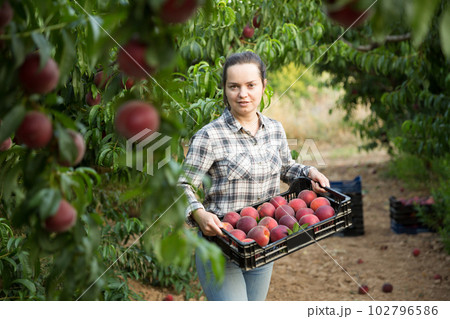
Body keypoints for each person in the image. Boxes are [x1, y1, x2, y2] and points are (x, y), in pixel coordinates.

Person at [178, 51, 330, 301]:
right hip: (221, 246)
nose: (243, 94)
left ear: (263, 86)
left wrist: (309, 172)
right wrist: (198, 212)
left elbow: (285, 168)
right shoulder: (210, 136)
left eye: (251, 85)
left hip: (261, 245)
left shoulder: (275, 129)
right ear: (224, 90)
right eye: (234, 86)